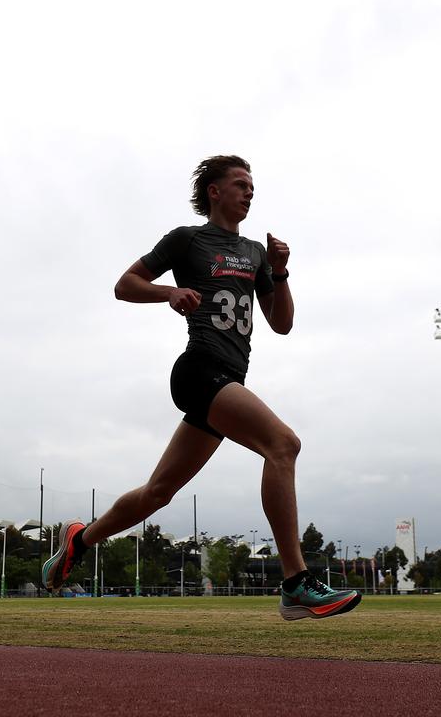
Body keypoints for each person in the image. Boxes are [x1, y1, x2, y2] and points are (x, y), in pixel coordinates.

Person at [42, 155, 359, 620]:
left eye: (253, 186)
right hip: (198, 370)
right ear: (214, 191)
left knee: (157, 492)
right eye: (240, 184)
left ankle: (80, 541)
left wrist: (282, 270)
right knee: (283, 445)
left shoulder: (255, 253)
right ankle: (295, 583)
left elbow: (283, 324)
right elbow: (124, 285)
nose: (250, 192)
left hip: (227, 380)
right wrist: (168, 293)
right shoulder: (187, 240)